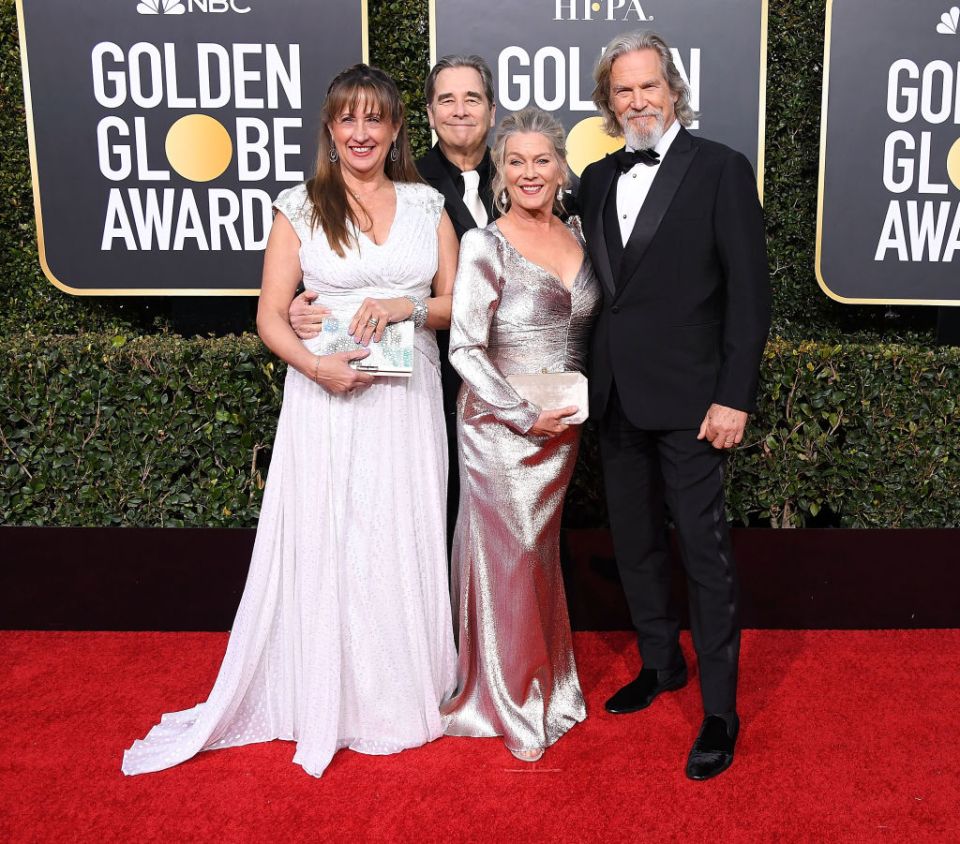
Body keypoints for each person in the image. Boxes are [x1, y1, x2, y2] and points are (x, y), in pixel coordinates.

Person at [121, 64, 459, 778]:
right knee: (333, 534)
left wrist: (404, 306)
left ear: (398, 128)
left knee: (399, 529)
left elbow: (455, 306)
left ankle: (398, 689)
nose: (362, 132)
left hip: (407, 400)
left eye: (376, 118)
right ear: (331, 132)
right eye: (348, 119)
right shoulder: (300, 206)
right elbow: (271, 317)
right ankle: (323, 690)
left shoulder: (430, 205)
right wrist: (316, 369)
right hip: (324, 398)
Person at [578, 31, 771, 781]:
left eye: (648, 86)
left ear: (673, 89)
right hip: (616, 397)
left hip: (696, 404)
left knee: (705, 555)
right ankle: (661, 664)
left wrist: (734, 396)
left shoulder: (720, 168)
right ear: (608, 101)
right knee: (634, 543)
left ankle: (721, 710)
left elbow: (750, 297)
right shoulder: (594, 178)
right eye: (622, 91)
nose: (638, 101)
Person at [440, 107, 602, 763]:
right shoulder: (486, 243)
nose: (530, 172)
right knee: (512, 561)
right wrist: (516, 412)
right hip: (498, 427)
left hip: (561, 428)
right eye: (516, 161)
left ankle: (549, 683)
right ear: (500, 173)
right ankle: (511, 704)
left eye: (542, 160)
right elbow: (465, 350)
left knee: (539, 556)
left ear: (561, 168)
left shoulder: (583, 235)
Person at [289, 55, 499, 551]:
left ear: (492, 110)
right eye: (447, 99)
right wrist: (301, 315)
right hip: (421, 382)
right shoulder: (421, 186)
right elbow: (280, 304)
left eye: (472, 98)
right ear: (426, 114)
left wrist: (409, 307)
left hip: (484, 378)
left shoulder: (525, 171)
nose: (460, 110)